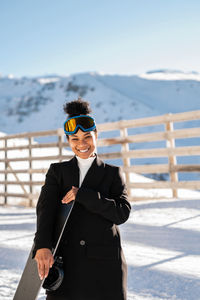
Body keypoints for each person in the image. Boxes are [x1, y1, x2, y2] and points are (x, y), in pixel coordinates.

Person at [33, 98, 131, 300]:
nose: (82, 144)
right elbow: (45, 210)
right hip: (67, 263)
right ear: (68, 142)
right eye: (75, 139)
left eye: (87, 137)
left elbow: (121, 213)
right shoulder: (57, 172)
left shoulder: (113, 173)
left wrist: (83, 196)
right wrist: (42, 245)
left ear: (96, 135)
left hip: (105, 266)